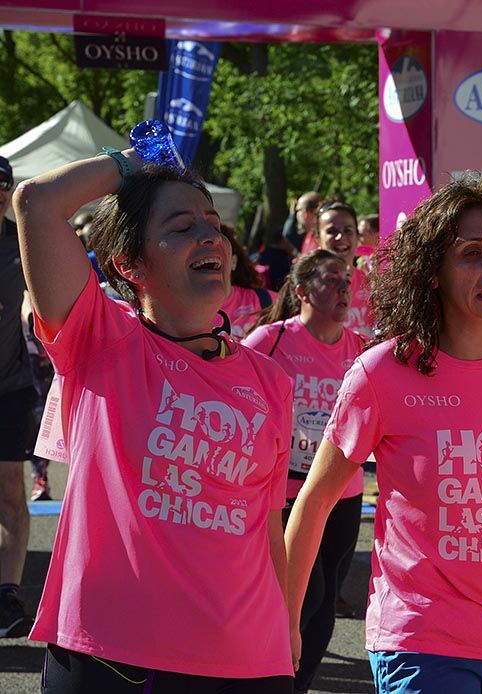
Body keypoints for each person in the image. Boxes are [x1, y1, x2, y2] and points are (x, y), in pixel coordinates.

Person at [284, 173, 482, 694]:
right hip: (419, 639)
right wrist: (286, 620)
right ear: (432, 271)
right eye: (471, 252)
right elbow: (316, 500)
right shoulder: (381, 372)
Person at [14, 149, 294, 692]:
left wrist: (284, 631)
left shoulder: (270, 380)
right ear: (130, 264)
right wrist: (137, 159)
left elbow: (266, 526)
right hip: (114, 656)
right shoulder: (101, 337)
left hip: (246, 660)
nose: (210, 235)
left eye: (213, 223)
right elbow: (38, 202)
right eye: (182, 225)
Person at [242, 249, 365, 693]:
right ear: (300, 291)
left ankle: (300, 683)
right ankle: (273, 675)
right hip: (287, 495)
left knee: (327, 597)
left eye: (347, 283)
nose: (342, 290)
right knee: (302, 595)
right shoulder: (269, 341)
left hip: (344, 494)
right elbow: (235, 398)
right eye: (331, 281)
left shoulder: (361, 351)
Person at [0, 154, 33, 638]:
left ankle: (7, 594)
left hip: (10, 386)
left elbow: (37, 296)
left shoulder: (23, 244)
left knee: (9, 487)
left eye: (2, 185)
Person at [221, 224, 277, 339]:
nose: (212, 260)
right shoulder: (178, 312)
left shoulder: (267, 301)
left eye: (219, 252)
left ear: (234, 262)